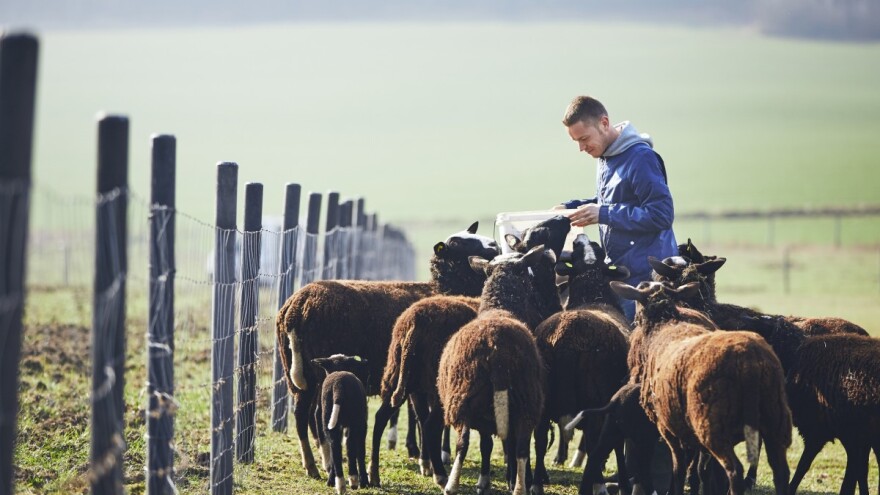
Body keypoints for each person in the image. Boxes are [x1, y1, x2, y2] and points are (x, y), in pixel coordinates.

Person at [555, 95, 678, 322]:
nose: (581, 148)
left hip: (647, 281)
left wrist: (603, 214)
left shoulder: (640, 158)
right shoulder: (606, 155)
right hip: (623, 275)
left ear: (604, 123)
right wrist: (573, 207)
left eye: (584, 139)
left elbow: (661, 214)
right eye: (576, 142)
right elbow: (615, 199)